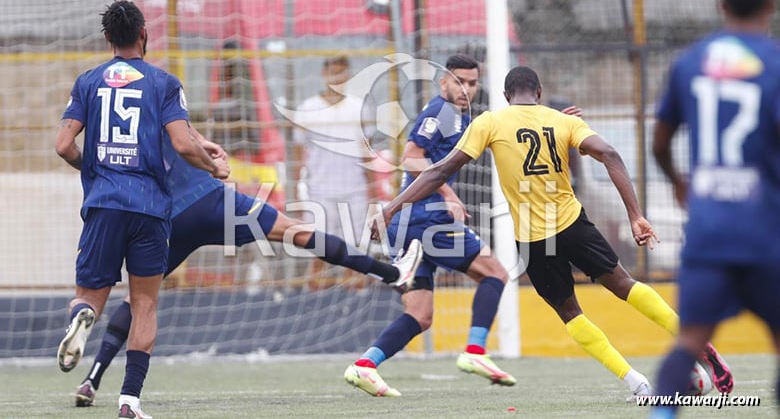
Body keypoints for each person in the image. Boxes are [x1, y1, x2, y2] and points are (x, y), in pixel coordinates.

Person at [371, 65, 734, 400]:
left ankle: (636, 382)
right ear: (539, 93)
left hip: (533, 239)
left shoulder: (490, 122)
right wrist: (636, 215)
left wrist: (391, 207)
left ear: (505, 95)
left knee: (571, 314)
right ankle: (698, 345)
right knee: (624, 285)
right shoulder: (562, 122)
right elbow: (609, 154)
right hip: (572, 223)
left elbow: (436, 172)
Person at [70, 128, 423, 408]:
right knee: (297, 232)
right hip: (210, 200)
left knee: (140, 299)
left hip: (168, 217)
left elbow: (70, 148)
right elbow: (183, 138)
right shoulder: (158, 87)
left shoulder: (104, 116)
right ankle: (392, 274)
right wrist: (212, 158)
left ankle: (93, 378)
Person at [55, 0, 231, 419]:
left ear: (107, 39)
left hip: (103, 203)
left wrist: (94, 167)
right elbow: (183, 143)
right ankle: (129, 401)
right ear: (144, 34)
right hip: (150, 208)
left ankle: (82, 316)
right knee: (144, 304)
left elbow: (63, 146)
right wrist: (214, 167)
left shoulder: (88, 81)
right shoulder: (164, 82)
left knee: (89, 297)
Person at [344, 54, 516, 398]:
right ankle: (476, 352)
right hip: (427, 218)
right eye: (459, 82)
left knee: (421, 316)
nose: (466, 89)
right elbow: (410, 155)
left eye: (472, 83)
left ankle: (365, 365)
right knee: (495, 273)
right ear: (444, 83)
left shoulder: (461, 117)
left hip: (409, 223)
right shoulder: (443, 112)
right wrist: (449, 193)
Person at [651, 0, 780, 417]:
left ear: (721, 4)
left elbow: (660, 141)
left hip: (708, 232)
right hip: (765, 231)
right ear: (771, 4)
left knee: (689, 341)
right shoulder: (774, 64)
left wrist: (678, 182)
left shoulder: (690, 63)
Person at [292, 55, 378, 290]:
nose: (336, 78)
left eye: (341, 73)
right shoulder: (308, 108)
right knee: (320, 247)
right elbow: (298, 155)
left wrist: (373, 190)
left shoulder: (359, 107)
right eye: (332, 72)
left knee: (356, 247)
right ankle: (313, 297)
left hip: (355, 189)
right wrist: (295, 193)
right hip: (319, 189)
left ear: (348, 75)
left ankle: (355, 297)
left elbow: (366, 152)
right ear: (323, 75)